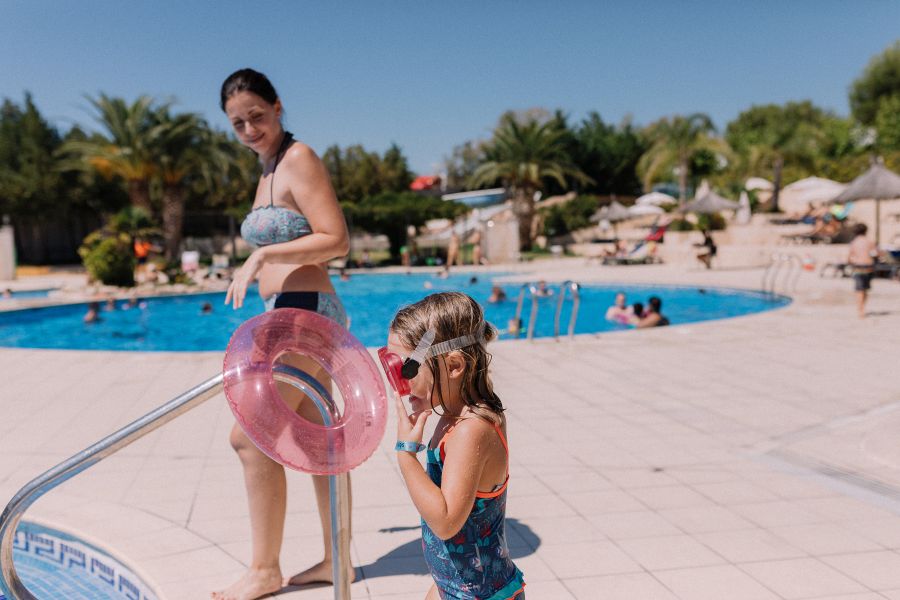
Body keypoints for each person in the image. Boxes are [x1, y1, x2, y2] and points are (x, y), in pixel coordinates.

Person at [215, 68, 352, 600]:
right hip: (288, 309)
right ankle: (336, 561)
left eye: (257, 115)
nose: (250, 128)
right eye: (238, 123)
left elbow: (336, 238)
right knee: (317, 437)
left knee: (250, 436)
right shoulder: (268, 168)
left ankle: (265, 569)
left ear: (277, 106)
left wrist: (265, 253)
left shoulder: (299, 158)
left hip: (305, 309)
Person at [382, 292, 526, 600]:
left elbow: (447, 522)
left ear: (454, 365)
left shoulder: (471, 430)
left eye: (406, 369)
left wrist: (406, 454)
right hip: (459, 588)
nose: (399, 384)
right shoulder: (454, 416)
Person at [847, 223, 878, 319]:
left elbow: (849, 256)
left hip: (858, 267)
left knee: (859, 290)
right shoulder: (869, 241)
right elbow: (876, 253)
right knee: (865, 289)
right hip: (869, 267)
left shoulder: (854, 242)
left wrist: (850, 262)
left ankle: (860, 309)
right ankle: (862, 307)